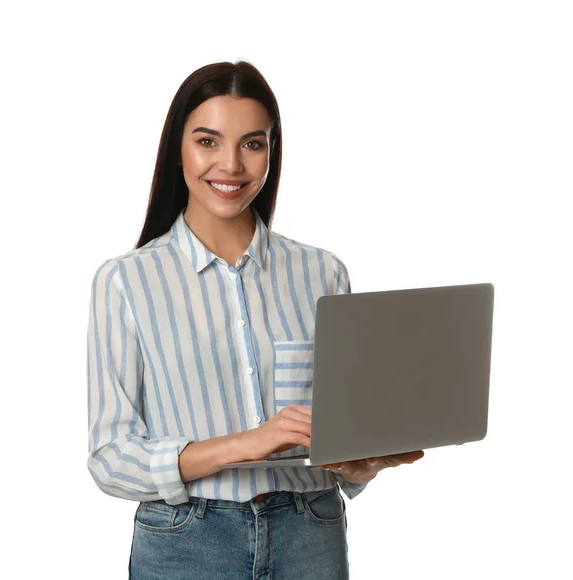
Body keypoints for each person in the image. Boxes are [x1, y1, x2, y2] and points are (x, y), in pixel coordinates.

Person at [86, 59, 424, 580]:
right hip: (187, 538)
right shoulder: (126, 281)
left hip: (310, 529)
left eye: (252, 143)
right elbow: (111, 458)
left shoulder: (324, 272)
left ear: (272, 152)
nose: (230, 165)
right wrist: (246, 444)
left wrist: (362, 463)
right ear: (178, 149)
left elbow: (342, 434)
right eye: (208, 141)